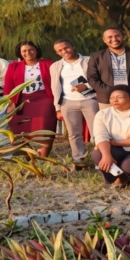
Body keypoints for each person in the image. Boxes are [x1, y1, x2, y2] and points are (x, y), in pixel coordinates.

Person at [50, 39, 98, 168]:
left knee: (97, 132)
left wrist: (86, 86)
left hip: (91, 100)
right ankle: (79, 159)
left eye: (66, 48)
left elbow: (98, 78)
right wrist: (57, 107)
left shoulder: (89, 60)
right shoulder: (55, 66)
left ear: (73, 46)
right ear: (56, 53)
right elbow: (55, 87)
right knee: (73, 133)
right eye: (60, 50)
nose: (64, 51)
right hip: (68, 102)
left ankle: (99, 158)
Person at [3, 41, 56, 157]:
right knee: (21, 126)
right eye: (24, 51)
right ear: (20, 53)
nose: (28, 53)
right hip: (22, 100)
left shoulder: (48, 64)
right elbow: (8, 86)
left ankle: (44, 153)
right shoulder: (13, 66)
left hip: (44, 99)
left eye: (31, 49)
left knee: (46, 125)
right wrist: (10, 103)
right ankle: (27, 151)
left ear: (36, 50)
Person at [87, 28, 130, 111]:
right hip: (107, 99)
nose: (114, 39)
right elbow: (92, 78)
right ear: (104, 40)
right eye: (110, 37)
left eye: (117, 36)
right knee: (111, 123)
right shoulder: (96, 57)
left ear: (124, 37)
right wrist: (113, 94)